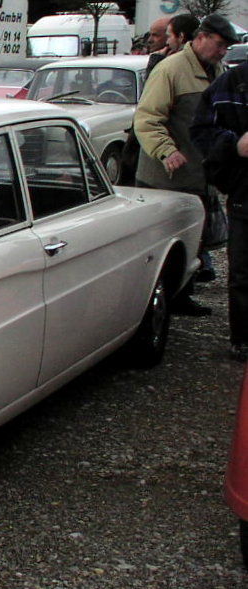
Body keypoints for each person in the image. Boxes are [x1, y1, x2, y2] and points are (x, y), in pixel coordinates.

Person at [134, 13, 240, 315]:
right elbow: (147, 118)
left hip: (199, 174)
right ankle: (156, 302)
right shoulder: (171, 69)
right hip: (166, 177)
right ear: (201, 37)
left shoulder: (218, 71)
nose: (222, 52)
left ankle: (182, 295)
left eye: (225, 48)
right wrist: (167, 151)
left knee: (194, 239)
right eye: (219, 45)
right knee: (164, 243)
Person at [192, 58, 248, 361]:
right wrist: (235, 144)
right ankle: (242, 338)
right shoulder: (233, 82)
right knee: (242, 273)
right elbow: (201, 130)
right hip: (245, 193)